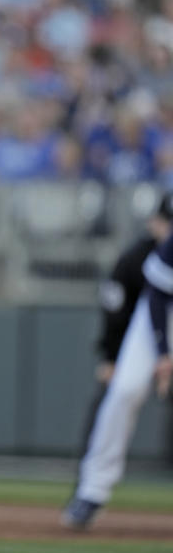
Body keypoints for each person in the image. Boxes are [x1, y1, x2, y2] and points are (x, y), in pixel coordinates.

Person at [63, 191, 173, 530]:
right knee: (125, 390)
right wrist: (163, 352)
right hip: (158, 314)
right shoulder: (146, 253)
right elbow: (157, 296)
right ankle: (92, 491)